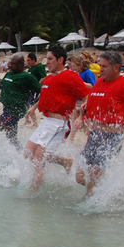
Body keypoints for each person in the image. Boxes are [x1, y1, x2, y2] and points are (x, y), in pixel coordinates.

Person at [75, 51, 124, 197]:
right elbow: (93, 101)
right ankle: (110, 188)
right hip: (94, 135)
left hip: (111, 137)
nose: (101, 69)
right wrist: (83, 119)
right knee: (80, 177)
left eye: (104, 66)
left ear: (116, 67)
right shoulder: (99, 82)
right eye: (100, 65)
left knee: (93, 176)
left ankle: (89, 209)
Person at [24, 45, 90, 193]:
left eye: (50, 58)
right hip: (45, 121)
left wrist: (82, 117)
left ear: (60, 60)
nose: (46, 62)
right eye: (46, 58)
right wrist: (34, 107)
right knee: (28, 153)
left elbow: (87, 96)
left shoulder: (71, 77)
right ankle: (65, 162)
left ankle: (31, 195)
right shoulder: (48, 78)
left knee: (38, 159)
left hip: (59, 124)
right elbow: (45, 96)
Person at [0, 54, 41, 158]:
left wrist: (34, 105)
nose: (10, 65)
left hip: (13, 112)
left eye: (13, 64)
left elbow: (41, 90)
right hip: (7, 110)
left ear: (21, 64)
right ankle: (26, 157)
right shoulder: (8, 74)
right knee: (12, 139)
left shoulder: (27, 77)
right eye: (10, 63)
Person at [66, 54, 96, 141]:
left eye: (75, 66)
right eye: (72, 66)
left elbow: (93, 86)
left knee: (86, 124)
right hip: (75, 101)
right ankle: (70, 140)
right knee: (73, 121)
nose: (73, 68)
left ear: (81, 64)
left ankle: (88, 140)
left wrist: (80, 82)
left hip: (85, 101)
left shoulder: (88, 73)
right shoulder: (74, 73)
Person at [24, 53, 47, 126]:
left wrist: (37, 85)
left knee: (31, 105)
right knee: (27, 105)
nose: (28, 62)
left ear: (34, 60)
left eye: (29, 60)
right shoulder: (30, 69)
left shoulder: (39, 67)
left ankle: (35, 123)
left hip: (36, 90)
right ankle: (28, 120)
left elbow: (43, 77)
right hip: (30, 90)